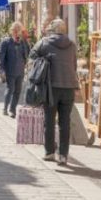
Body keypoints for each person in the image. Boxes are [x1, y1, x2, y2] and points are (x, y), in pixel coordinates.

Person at [30, 18, 80, 166]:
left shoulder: (44, 43)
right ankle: (63, 155)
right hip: (69, 87)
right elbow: (74, 65)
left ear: (52, 30)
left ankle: (50, 152)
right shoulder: (72, 45)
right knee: (65, 122)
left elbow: (32, 56)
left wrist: (43, 60)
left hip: (51, 88)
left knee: (49, 120)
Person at [0, 21, 30, 118]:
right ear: (11, 31)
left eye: (19, 30)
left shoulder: (23, 42)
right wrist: (2, 70)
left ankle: (12, 110)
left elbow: (27, 54)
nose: (17, 32)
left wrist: (27, 64)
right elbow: (1, 57)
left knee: (18, 91)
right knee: (10, 89)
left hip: (20, 71)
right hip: (10, 70)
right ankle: (5, 108)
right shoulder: (6, 42)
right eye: (15, 30)